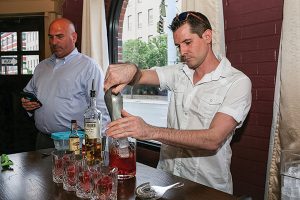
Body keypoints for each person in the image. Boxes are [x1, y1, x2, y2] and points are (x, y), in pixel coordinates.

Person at [104, 11, 252, 194]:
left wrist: (150, 131)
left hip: (208, 189)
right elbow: (141, 75)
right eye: (178, 45)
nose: (182, 52)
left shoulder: (237, 82)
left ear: (207, 36)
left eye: (188, 42)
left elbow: (213, 139)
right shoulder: (179, 73)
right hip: (166, 181)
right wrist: (131, 68)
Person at [21, 18, 110, 150]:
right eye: (51, 37)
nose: (54, 42)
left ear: (74, 37)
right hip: (43, 140)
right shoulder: (41, 66)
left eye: (59, 36)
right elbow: (29, 93)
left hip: (73, 142)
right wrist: (27, 103)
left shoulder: (89, 67)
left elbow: (101, 109)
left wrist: (95, 149)